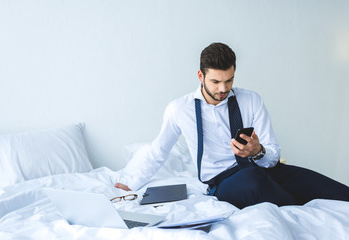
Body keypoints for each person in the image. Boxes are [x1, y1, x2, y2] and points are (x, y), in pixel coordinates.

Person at [115, 42, 349, 209]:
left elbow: (273, 156)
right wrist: (131, 183)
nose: (223, 89)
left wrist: (258, 151)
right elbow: (158, 151)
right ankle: (305, 212)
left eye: (229, 80)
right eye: (215, 81)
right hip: (223, 183)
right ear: (200, 76)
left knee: (333, 190)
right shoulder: (179, 109)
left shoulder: (252, 100)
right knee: (254, 182)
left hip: (261, 169)